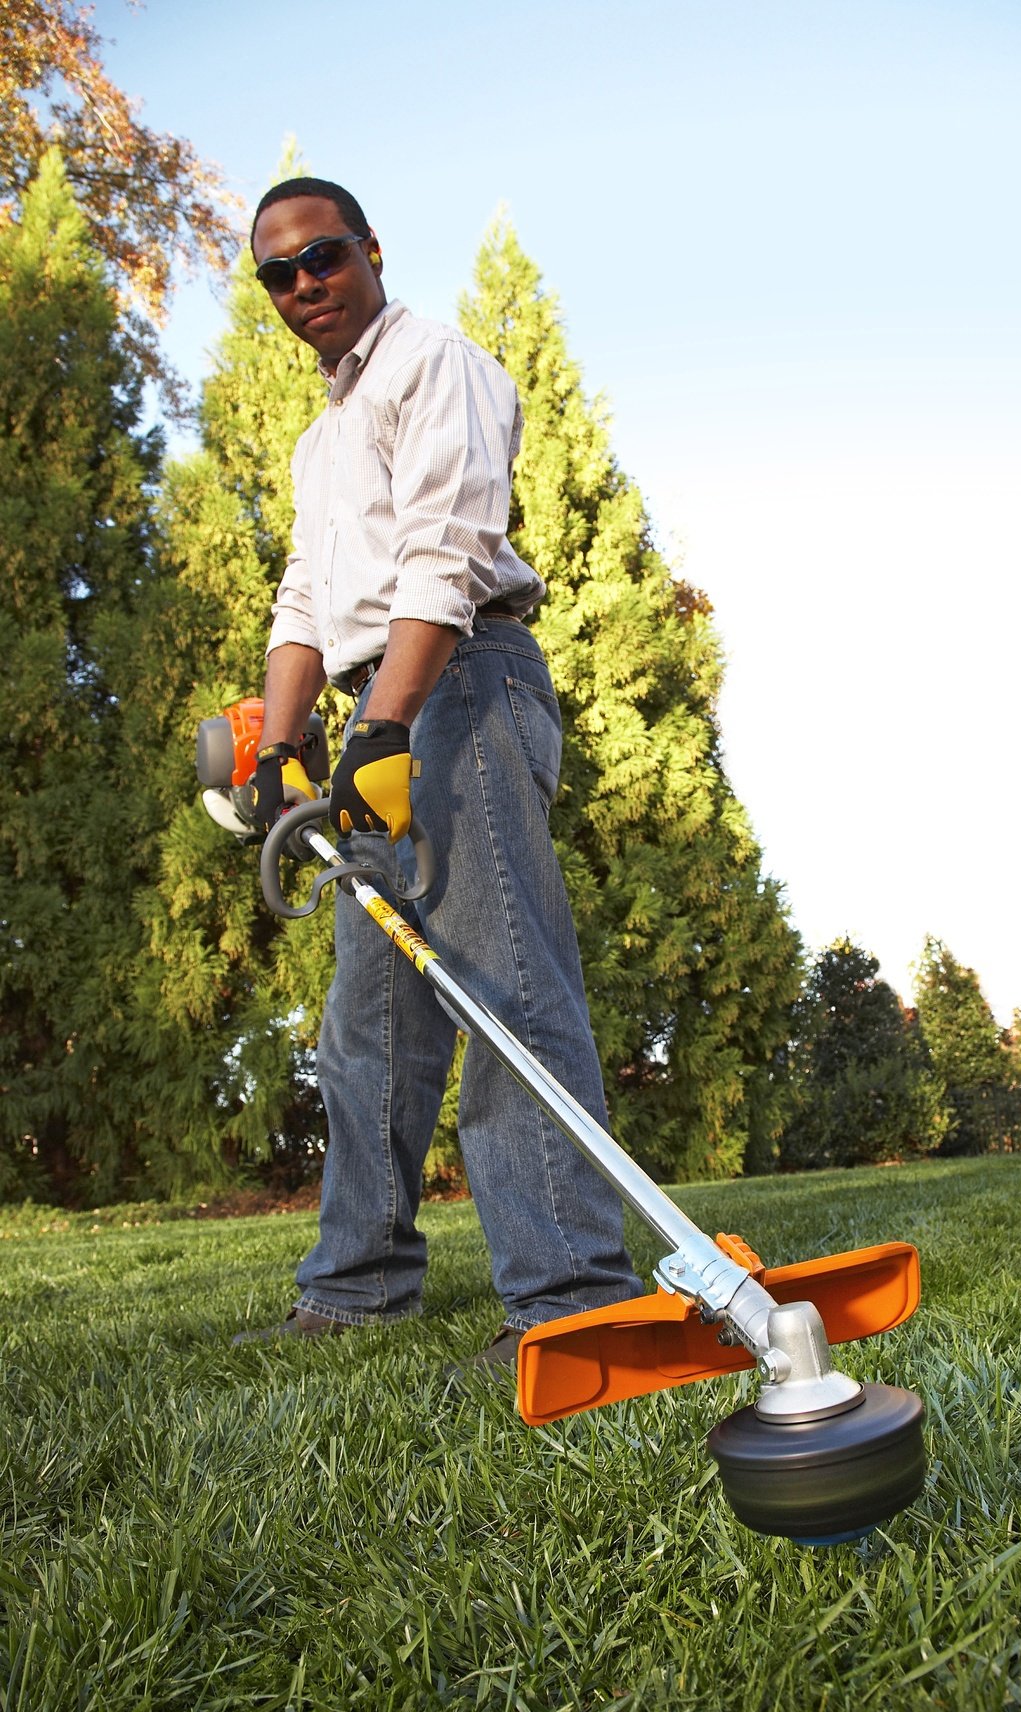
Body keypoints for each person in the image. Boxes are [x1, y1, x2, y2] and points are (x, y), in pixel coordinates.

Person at [238, 178, 642, 1363]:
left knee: (505, 985)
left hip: (458, 685)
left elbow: (447, 554)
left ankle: (576, 1300)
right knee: (370, 1021)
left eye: (320, 258)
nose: (303, 284)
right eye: (278, 274)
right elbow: (307, 598)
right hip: (384, 709)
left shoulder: (436, 364)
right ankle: (355, 1287)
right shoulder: (324, 437)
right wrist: (280, 740)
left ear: (368, 250)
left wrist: (385, 726)